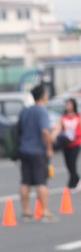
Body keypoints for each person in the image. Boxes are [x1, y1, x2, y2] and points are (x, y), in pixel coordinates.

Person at [18, 82, 57, 221]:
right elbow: (44, 131)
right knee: (41, 182)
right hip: (37, 150)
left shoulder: (25, 111)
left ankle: (26, 212)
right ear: (43, 96)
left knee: (25, 181)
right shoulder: (41, 111)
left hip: (24, 149)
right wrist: (49, 148)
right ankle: (45, 211)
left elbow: (19, 129)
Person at [56, 97, 81, 190]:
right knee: (68, 164)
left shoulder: (78, 116)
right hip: (66, 143)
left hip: (76, 143)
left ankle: (72, 184)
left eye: (69, 104)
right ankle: (77, 179)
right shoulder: (63, 117)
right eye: (66, 104)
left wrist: (76, 135)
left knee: (72, 163)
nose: (67, 106)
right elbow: (58, 128)